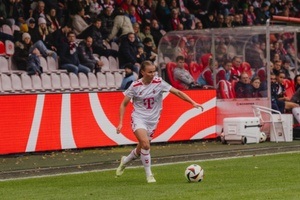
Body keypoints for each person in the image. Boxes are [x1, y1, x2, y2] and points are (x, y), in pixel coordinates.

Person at [115, 60, 204, 183]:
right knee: (146, 144)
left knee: (141, 147)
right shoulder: (135, 86)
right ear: (142, 72)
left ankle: (125, 161)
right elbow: (124, 104)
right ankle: (149, 175)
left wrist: (192, 102)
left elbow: (177, 92)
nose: (153, 74)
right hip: (139, 118)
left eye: (154, 71)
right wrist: (120, 122)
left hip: (153, 121)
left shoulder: (159, 82)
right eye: (149, 72)